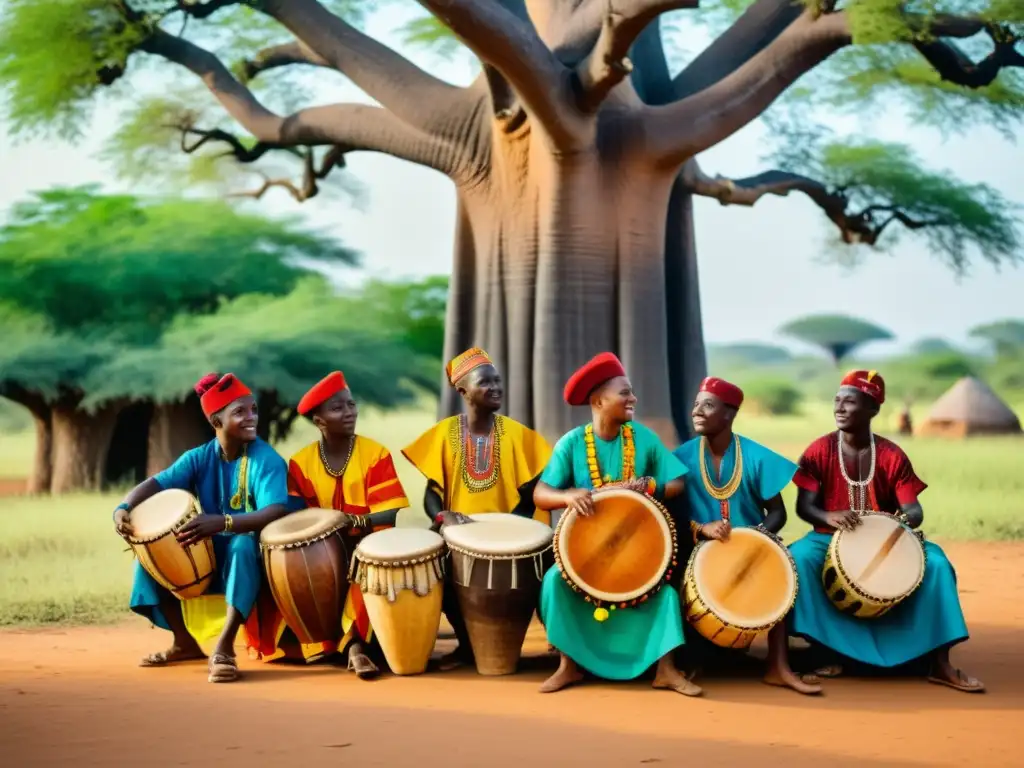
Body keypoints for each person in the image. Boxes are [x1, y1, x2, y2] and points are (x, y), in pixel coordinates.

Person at [788, 370, 984, 693]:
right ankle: (827, 650)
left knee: (936, 564)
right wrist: (829, 514)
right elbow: (804, 508)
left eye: (849, 402)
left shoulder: (892, 456)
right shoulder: (818, 451)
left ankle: (940, 663)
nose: (839, 408)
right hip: (828, 538)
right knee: (798, 558)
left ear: (872, 409)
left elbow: (914, 509)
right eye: (837, 400)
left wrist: (905, 518)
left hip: (887, 541)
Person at [533, 352, 701, 696]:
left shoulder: (643, 438)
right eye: (624, 393)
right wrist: (566, 496)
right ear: (598, 401)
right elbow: (541, 493)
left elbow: (677, 484)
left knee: (665, 594)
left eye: (632, 392)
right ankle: (568, 667)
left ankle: (666, 670)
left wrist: (648, 486)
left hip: (638, 549)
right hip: (585, 553)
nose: (633, 399)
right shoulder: (573, 443)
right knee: (553, 583)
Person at [113, 373, 291, 683]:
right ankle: (184, 643)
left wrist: (223, 522)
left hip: (259, 556)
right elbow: (158, 482)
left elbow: (275, 510)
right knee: (149, 557)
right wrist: (123, 508)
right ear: (216, 421)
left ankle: (224, 648)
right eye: (240, 412)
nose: (252, 418)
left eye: (254, 410)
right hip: (208, 551)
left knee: (241, 544)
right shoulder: (199, 457)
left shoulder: (266, 459)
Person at [402, 347, 552, 668]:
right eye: (485, 382)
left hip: (511, 534)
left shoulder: (517, 435)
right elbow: (431, 493)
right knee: (435, 575)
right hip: (460, 534)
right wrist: (443, 517)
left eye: (498, 381)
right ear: (462, 390)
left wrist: (511, 532)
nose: (495, 387)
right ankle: (467, 645)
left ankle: (526, 643)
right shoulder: (444, 434)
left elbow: (531, 495)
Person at [673, 377, 821, 695]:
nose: (697, 411)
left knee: (784, 571)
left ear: (729, 414)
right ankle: (683, 661)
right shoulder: (681, 458)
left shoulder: (756, 456)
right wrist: (702, 529)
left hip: (751, 550)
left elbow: (778, 513)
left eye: (707, 405)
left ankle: (778, 667)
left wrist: (755, 538)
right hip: (697, 547)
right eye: (696, 404)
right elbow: (671, 514)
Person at [281, 370, 411, 679]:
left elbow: (388, 514)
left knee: (363, 562)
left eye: (351, 405)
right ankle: (321, 641)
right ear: (319, 420)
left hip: (369, 541)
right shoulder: (301, 462)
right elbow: (297, 518)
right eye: (338, 408)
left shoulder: (375, 453)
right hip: (320, 549)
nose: (349, 413)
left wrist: (352, 521)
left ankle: (354, 644)